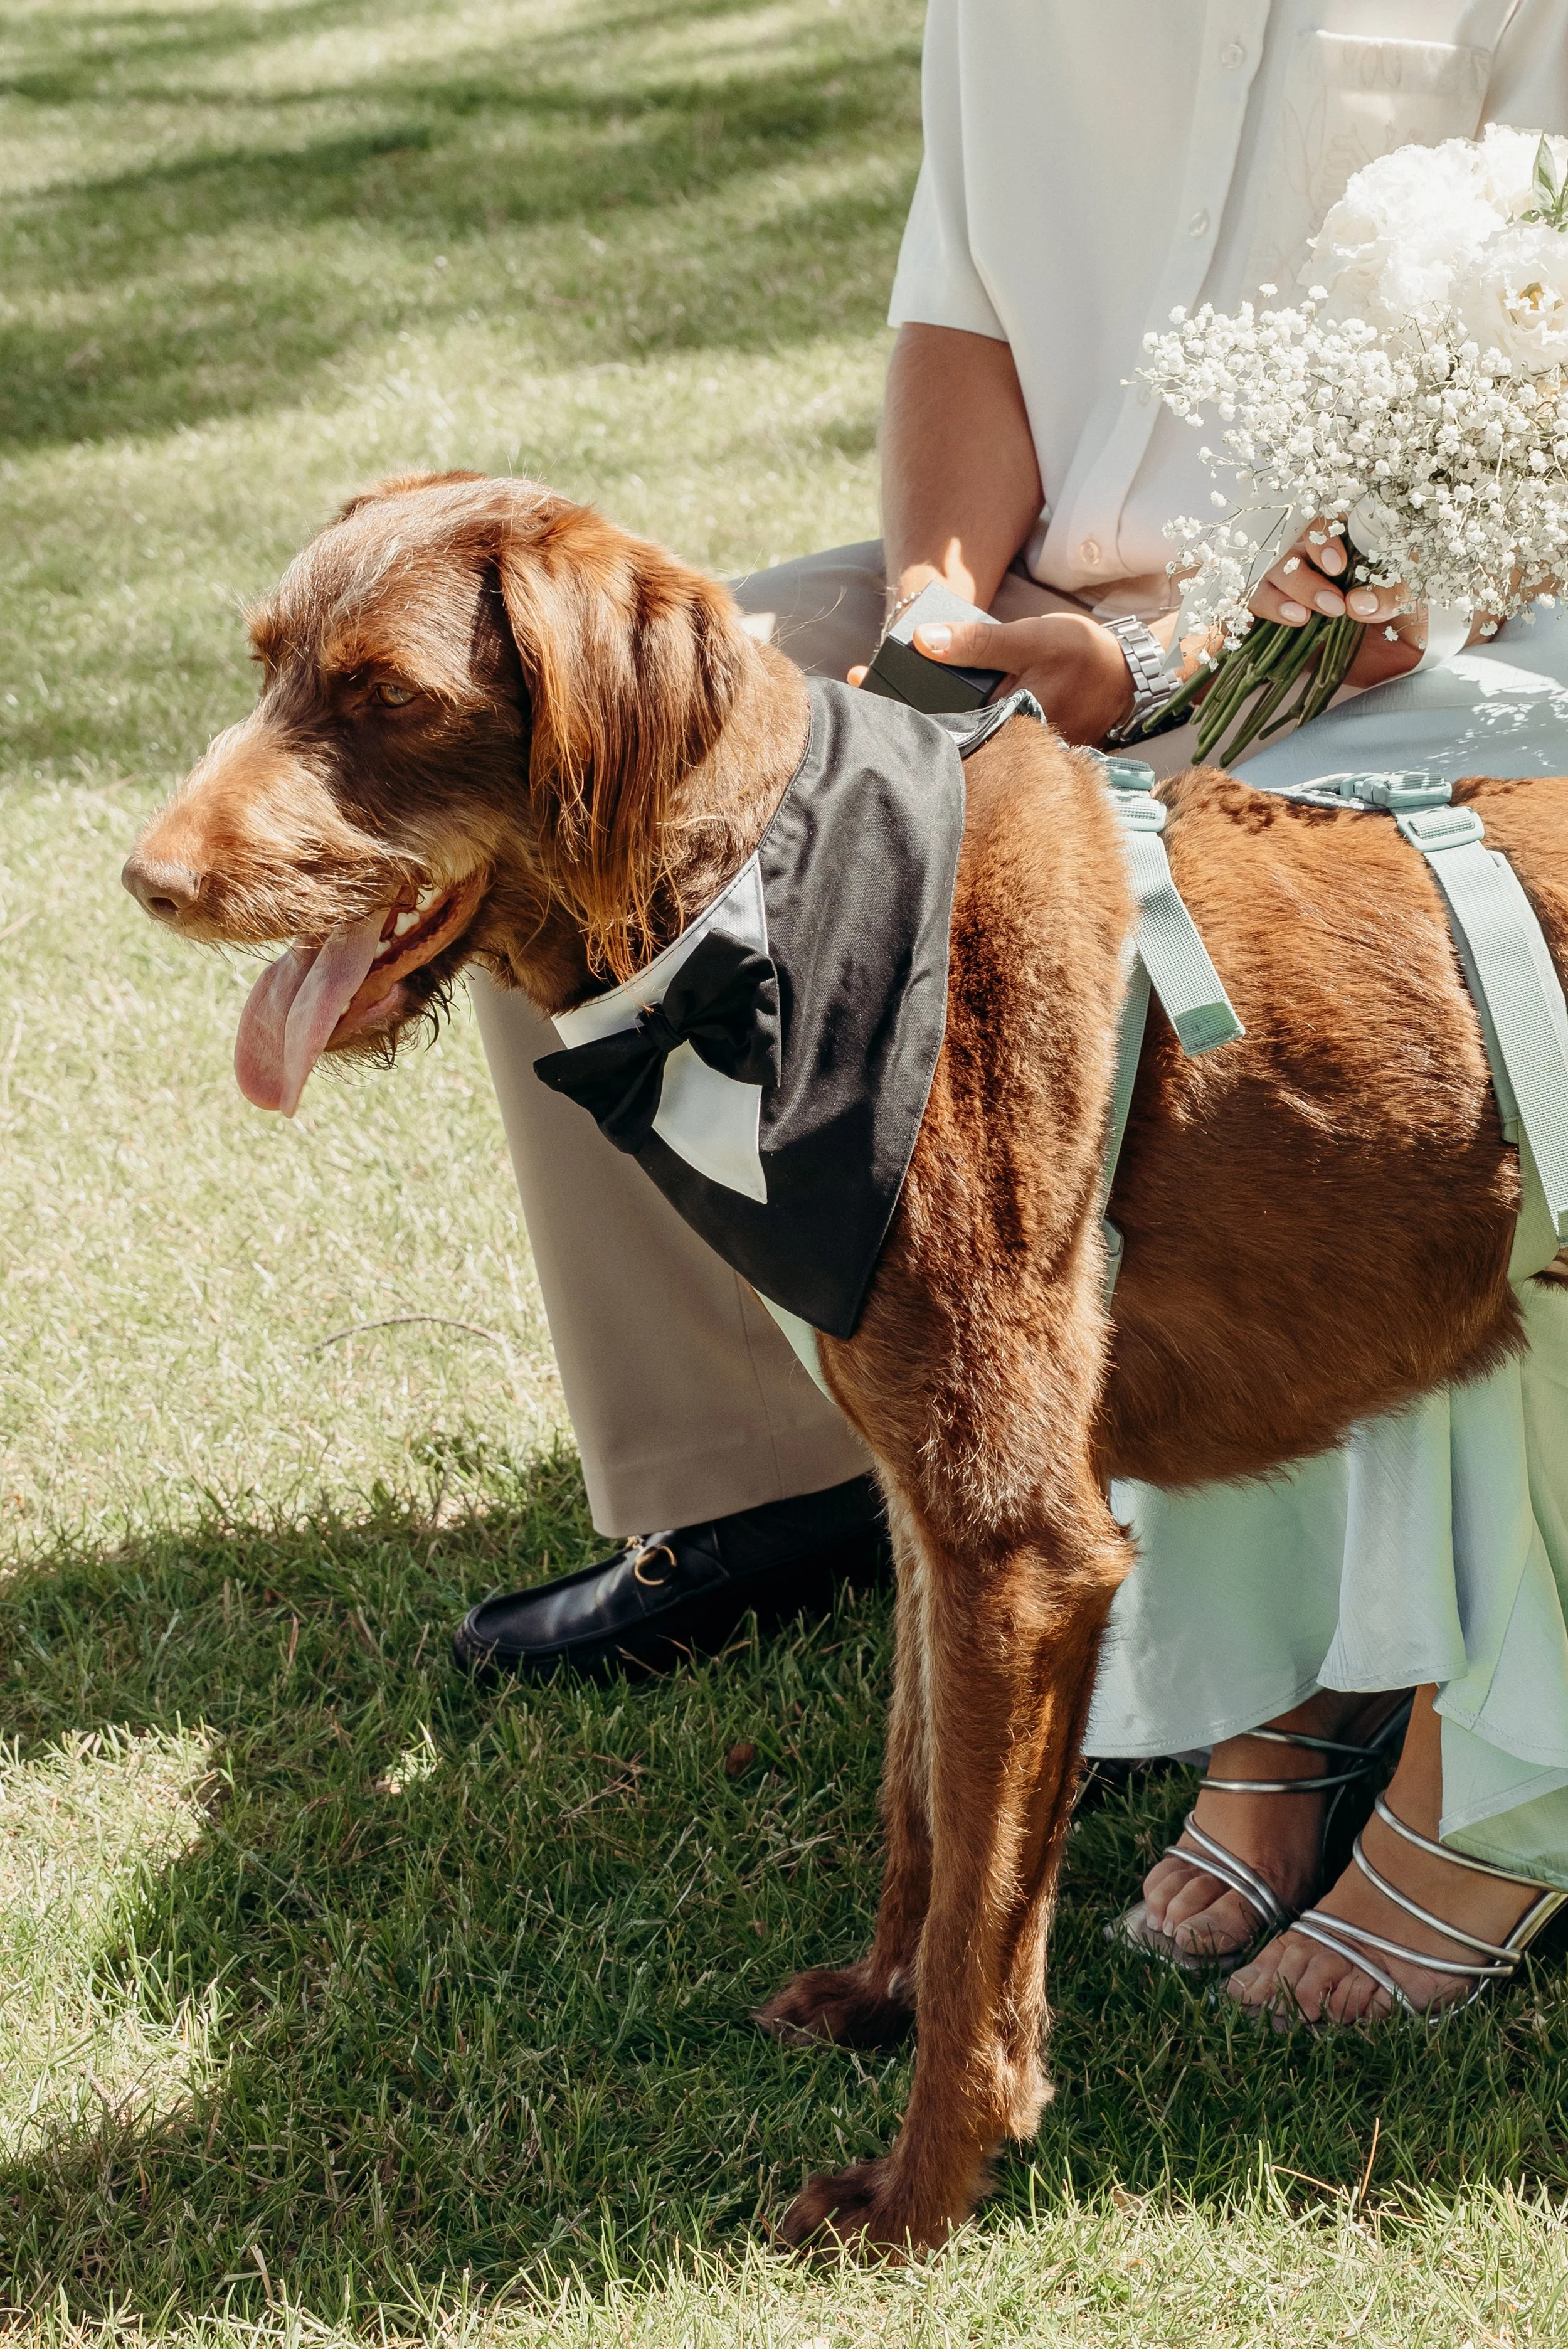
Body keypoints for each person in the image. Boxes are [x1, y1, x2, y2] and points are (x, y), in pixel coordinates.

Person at [457, 1, 1568, 2018]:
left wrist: (1178, 664)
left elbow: (1519, 431)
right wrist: (930, 629)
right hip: (1047, 593)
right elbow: (959, 312)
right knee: (568, 803)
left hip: (1422, 615)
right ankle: (755, 1483)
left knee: (1280, 946)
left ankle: (1356, 1682)